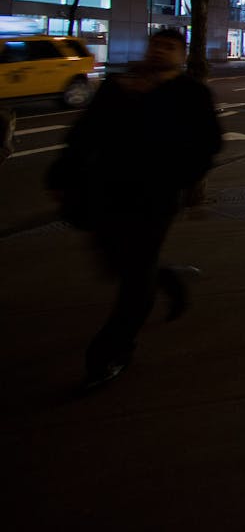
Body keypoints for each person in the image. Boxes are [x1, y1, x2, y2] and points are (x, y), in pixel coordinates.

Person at [47, 29, 222, 391]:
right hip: (106, 191)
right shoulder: (120, 86)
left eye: (169, 47)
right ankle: (165, 278)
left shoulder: (191, 93)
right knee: (117, 261)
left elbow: (209, 142)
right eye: (156, 44)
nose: (160, 51)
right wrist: (62, 174)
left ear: (182, 54)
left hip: (155, 195)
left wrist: (183, 177)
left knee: (134, 276)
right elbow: (84, 133)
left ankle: (110, 352)